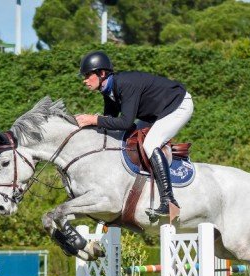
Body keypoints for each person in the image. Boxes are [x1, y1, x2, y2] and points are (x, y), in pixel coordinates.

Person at [75, 50, 194, 220]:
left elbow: (125, 122)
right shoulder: (108, 89)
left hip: (178, 105)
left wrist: (94, 119)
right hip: (156, 114)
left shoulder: (125, 84)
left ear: (101, 73)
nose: (84, 80)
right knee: (126, 140)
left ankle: (168, 201)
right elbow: (109, 121)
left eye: (87, 75)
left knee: (150, 144)